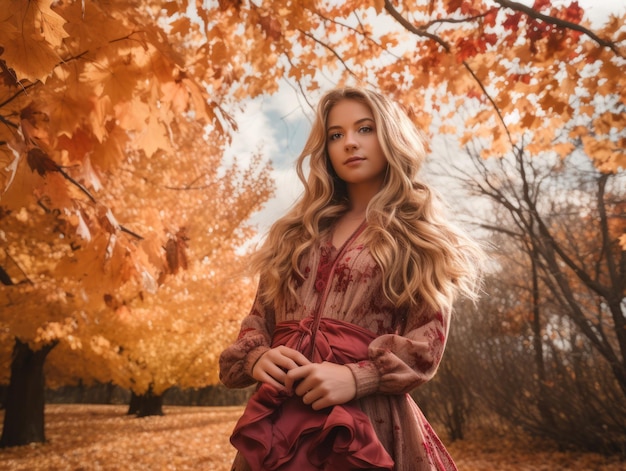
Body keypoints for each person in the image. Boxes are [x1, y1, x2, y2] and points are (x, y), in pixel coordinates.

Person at [219, 86, 483, 471]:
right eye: (336, 135)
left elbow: (426, 345)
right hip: (277, 424)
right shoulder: (293, 234)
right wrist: (258, 358)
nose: (349, 143)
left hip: (367, 426)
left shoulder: (419, 235)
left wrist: (358, 378)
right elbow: (258, 320)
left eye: (365, 128)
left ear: (390, 136)